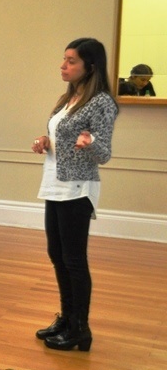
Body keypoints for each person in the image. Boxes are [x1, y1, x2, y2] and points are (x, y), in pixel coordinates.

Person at [32, 38, 118, 352]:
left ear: (90, 67)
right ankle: (67, 318)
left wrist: (89, 143)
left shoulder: (101, 102)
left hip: (78, 188)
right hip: (54, 183)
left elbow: (104, 153)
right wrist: (45, 139)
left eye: (71, 61)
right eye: (64, 59)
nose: (63, 65)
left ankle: (80, 328)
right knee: (57, 255)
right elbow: (61, 137)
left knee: (74, 260)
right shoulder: (69, 98)